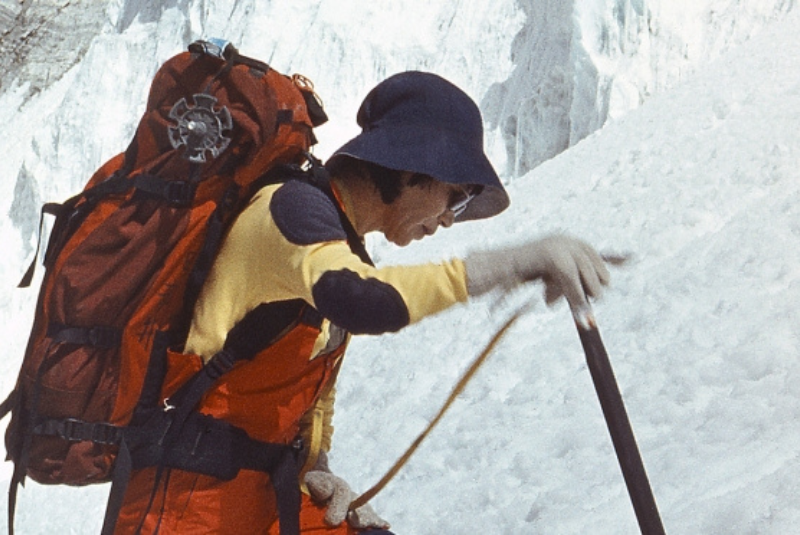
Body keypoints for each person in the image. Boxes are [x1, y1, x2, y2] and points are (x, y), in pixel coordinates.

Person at [114, 70, 610, 534]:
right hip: (183, 502)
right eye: (454, 197)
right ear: (413, 168)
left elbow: (314, 384)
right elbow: (364, 301)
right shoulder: (294, 211)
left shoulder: (340, 242)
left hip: (251, 489)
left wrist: (317, 466)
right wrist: (513, 263)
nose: (449, 220)